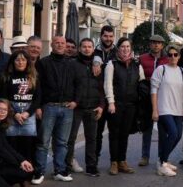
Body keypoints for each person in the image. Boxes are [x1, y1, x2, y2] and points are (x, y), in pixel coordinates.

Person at [33, 35, 76, 184]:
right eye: (56, 43)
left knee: (62, 142)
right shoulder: (43, 63)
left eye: (62, 43)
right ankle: (39, 172)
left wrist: (76, 101)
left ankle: (60, 170)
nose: (59, 45)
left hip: (67, 108)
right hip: (48, 107)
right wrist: (38, 106)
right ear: (51, 45)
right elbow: (37, 87)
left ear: (66, 46)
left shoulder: (72, 64)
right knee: (43, 142)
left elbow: (79, 83)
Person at [104, 38, 145, 176]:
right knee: (114, 134)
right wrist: (111, 102)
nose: (125, 49)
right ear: (118, 48)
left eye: (128, 46)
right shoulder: (112, 64)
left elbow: (141, 84)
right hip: (116, 105)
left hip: (131, 105)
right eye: (122, 46)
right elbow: (108, 84)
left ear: (131, 48)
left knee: (125, 134)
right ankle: (114, 162)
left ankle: (122, 161)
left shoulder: (137, 65)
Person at [66, 38, 104, 177]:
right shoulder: (73, 64)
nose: (87, 49)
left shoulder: (99, 65)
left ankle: (91, 166)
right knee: (71, 138)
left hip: (93, 107)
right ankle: (67, 165)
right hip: (76, 108)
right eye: (84, 46)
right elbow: (69, 85)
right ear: (80, 48)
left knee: (92, 138)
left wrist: (101, 106)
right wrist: (73, 101)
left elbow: (102, 88)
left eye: (89, 46)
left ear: (93, 49)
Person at [151, 44, 183, 177]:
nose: (173, 57)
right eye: (170, 55)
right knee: (172, 133)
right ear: (167, 56)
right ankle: (162, 164)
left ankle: (163, 160)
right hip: (164, 109)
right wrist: (155, 110)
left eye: (175, 54)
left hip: (178, 110)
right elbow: (154, 90)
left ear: (179, 56)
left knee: (178, 135)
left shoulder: (182, 71)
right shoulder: (161, 69)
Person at [0, 50, 40, 172]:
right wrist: (14, 113)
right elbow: (3, 98)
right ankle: (13, 173)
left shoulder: (33, 77)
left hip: (28, 115)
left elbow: (38, 98)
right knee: (11, 146)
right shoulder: (7, 77)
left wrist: (28, 113)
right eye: (17, 59)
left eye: (23, 59)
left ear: (27, 62)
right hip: (12, 115)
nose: (20, 62)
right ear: (13, 62)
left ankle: (26, 174)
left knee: (27, 146)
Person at [138, 34, 169, 166]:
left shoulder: (168, 59)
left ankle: (162, 157)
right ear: (150, 44)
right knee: (147, 129)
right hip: (146, 98)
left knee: (162, 130)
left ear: (162, 45)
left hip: (162, 98)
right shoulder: (142, 58)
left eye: (159, 43)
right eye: (153, 42)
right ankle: (145, 156)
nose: (156, 45)